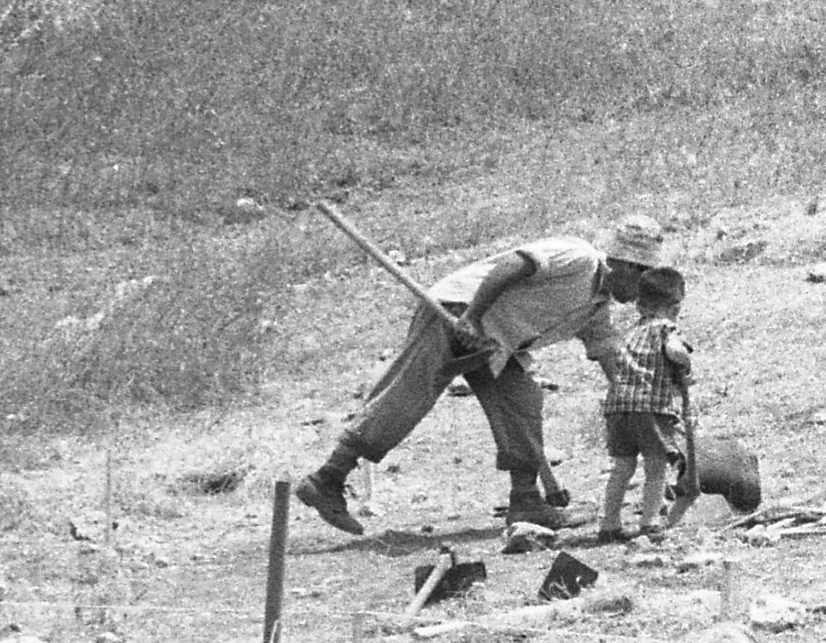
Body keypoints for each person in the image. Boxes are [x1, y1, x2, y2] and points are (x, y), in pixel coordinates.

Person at [296, 218, 681, 537]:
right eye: (645, 275)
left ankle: (526, 501)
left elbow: (611, 359)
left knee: (523, 401)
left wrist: (645, 407)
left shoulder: (596, 309)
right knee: (406, 397)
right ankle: (327, 479)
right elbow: (514, 265)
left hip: (496, 343)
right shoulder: (579, 258)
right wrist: (472, 317)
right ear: (626, 265)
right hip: (458, 309)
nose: (646, 288)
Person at [587, 269, 695, 547]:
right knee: (656, 466)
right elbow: (674, 351)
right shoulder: (665, 328)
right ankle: (649, 523)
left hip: (618, 407)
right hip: (649, 407)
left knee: (622, 467)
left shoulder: (631, 332)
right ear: (676, 307)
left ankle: (609, 524)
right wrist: (685, 364)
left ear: (640, 305)